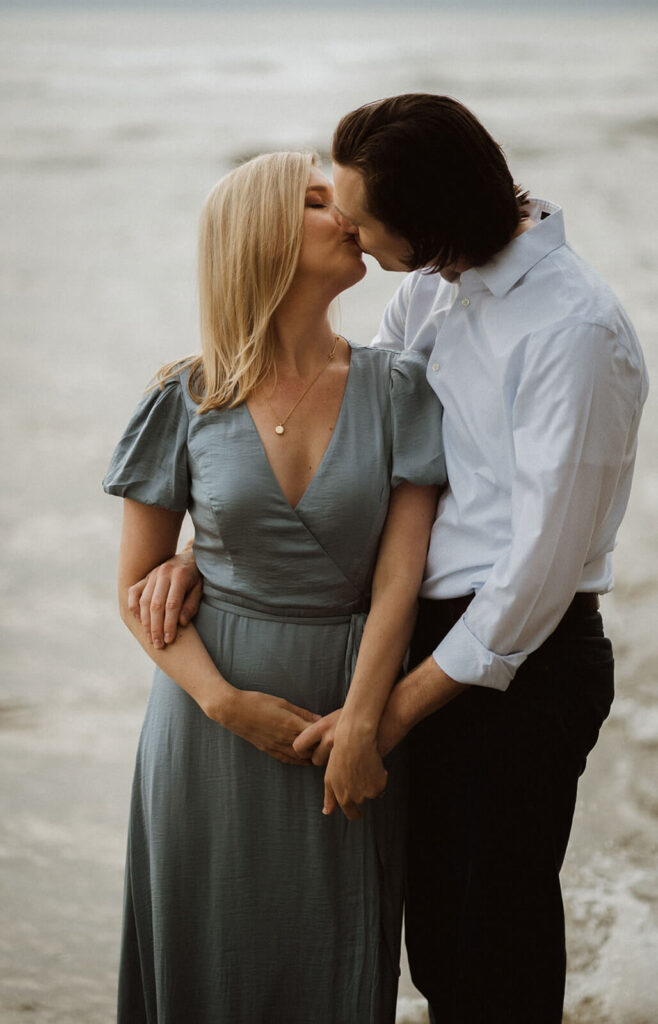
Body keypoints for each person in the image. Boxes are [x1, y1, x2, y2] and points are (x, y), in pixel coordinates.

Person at [146, 97, 648, 1024]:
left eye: (367, 220)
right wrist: (197, 548)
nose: (356, 235)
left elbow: (538, 572)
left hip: (518, 669)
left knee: (490, 955)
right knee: (432, 946)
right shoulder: (432, 291)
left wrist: (380, 717)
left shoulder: (574, 333)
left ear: (433, 218)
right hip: (422, 644)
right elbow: (344, 453)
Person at [103, 150, 446, 1024]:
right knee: (203, 966)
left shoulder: (398, 387)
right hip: (202, 728)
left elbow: (399, 581)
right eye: (318, 200)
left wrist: (366, 722)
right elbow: (136, 585)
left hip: (343, 723)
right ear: (262, 233)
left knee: (332, 967)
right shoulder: (185, 397)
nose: (350, 213)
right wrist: (222, 702)